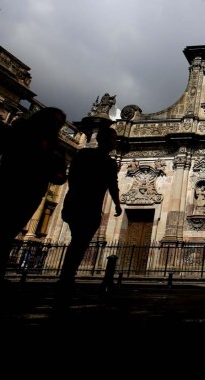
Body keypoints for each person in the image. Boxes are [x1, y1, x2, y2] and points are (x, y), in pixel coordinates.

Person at [0, 107, 68, 289]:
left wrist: (59, 176)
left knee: (6, 234)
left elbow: (60, 175)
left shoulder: (56, 148)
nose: (55, 126)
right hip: (6, 186)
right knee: (3, 232)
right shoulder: (18, 133)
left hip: (31, 193)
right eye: (53, 121)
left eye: (59, 123)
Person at [57, 126, 122, 295]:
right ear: (106, 140)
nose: (116, 142)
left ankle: (66, 277)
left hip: (77, 202)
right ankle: (66, 277)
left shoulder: (84, 155)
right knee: (80, 242)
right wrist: (117, 204)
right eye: (114, 139)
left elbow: (72, 175)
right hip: (88, 206)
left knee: (77, 241)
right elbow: (112, 186)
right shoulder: (107, 162)